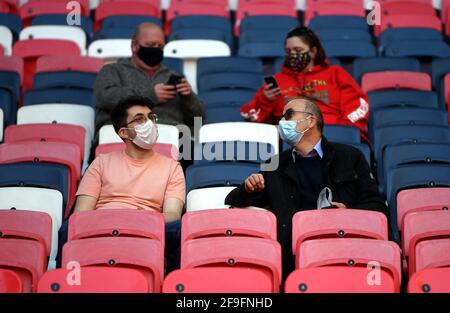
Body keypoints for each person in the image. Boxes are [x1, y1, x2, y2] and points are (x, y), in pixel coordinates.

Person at [226, 96, 386, 278]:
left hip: (342, 248)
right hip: (292, 259)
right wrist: (249, 188)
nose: (281, 122)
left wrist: (348, 212)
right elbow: (233, 201)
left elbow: (377, 206)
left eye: (288, 115)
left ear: (310, 121)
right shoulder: (275, 164)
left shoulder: (349, 157)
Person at [67, 96, 185, 272]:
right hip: (103, 226)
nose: (149, 124)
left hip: (147, 228)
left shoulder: (172, 167)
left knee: (179, 229)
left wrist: (136, 221)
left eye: (151, 118)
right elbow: (81, 213)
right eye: (140, 119)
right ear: (124, 133)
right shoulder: (100, 163)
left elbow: (172, 214)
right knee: (66, 230)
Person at [240, 26, 371, 143]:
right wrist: (265, 101)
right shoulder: (278, 81)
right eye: (288, 51)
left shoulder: (335, 73)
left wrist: (342, 130)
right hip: (291, 143)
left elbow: (360, 105)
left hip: (334, 138)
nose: (292, 55)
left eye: (297, 50)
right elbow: (250, 118)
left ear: (313, 52)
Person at [93, 22, 205, 141]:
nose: (155, 49)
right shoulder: (113, 71)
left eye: (160, 46)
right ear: (134, 45)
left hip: (171, 138)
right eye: (150, 44)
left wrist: (188, 97)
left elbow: (198, 119)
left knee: (189, 146)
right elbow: (105, 98)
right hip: (123, 137)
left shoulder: (174, 75)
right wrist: (150, 95)